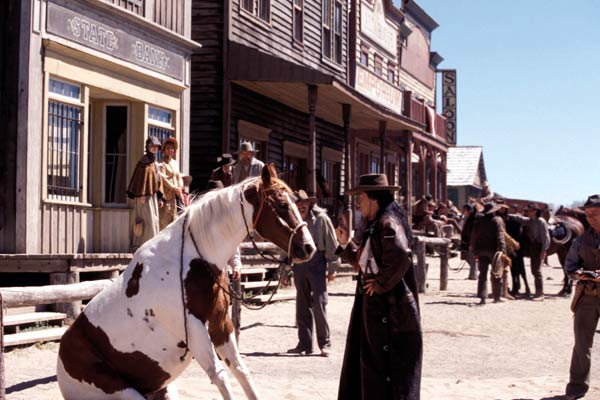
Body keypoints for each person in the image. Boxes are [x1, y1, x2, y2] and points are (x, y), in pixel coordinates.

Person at [335, 174, 421, 400]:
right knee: (370, 371)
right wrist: (345, 244)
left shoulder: (387, 223)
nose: (359, 203)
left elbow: (401, 255)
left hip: (390, 312)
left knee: (384, 373)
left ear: (374, 198)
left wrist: (381, 284)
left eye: (361, 197)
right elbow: (366, 262)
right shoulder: (376, 224)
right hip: (376, 310)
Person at [287, 190, 340, 357]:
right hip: (299, 263)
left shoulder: (322, 219)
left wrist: (332, 268)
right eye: (298, 203)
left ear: (310, 204)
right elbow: (286, 244)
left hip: (317, 262)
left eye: (304, 203)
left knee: (319, 303)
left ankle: (325, 343)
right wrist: (285, 268)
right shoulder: (291, 220)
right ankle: (304, 344)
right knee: (302, 304)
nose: (301, 206)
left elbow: (332, 244)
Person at [564, 194, 600, 400]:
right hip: (586, 297)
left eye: (594, 214)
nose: (590, 218)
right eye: (587, 215)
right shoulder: (581, 240)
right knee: (581, 345)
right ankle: (577, 387)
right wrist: (581, 274)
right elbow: (570, 266)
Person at [127, 136, 164, 251]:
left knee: (153, 220)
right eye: (152, 146)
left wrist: (159, 197)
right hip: (144, 197)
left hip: (152, 196)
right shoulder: (143, 161)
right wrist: (141, 194)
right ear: (147, 147)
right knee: (145, 221)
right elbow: (140, 179)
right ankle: (141, 246)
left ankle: (152, 245)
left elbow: (158, 180)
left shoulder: (154, 162)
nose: (154, 148)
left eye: (156, 146)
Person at [508, 202, 550, 300]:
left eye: (530, 211)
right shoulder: (530, 220)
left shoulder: (541, 221)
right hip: (533, 248)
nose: (528, 213)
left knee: (537, 271)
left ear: (535, 211)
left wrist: (543, 251)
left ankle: (540, 293)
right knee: (534, 270)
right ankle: (537, 293)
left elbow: (545, 237)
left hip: (539, 247)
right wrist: (508, 214)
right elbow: (520, 219)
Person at [469, 202, 507, 304]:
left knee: (483, 274)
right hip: (494, 251)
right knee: (496, 274)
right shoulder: (497, 220)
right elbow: (500, 237)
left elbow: (474, 236)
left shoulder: (479, 221)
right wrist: (503, 251)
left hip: (482, 250)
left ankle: (482, 297)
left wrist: (474, 249)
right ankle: (497, 297)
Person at [158, 137, 185, 230]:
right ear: (164, 150)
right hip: (166, 196)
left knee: (174, 220)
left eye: (172, 148)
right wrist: (174, 188)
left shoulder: (175, 163)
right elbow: (163, 179)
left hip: (176, 196)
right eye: (168, 148)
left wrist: (180, 187)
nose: (170, 150)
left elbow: (178, 176)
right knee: (164, 221)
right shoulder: (161, 163)